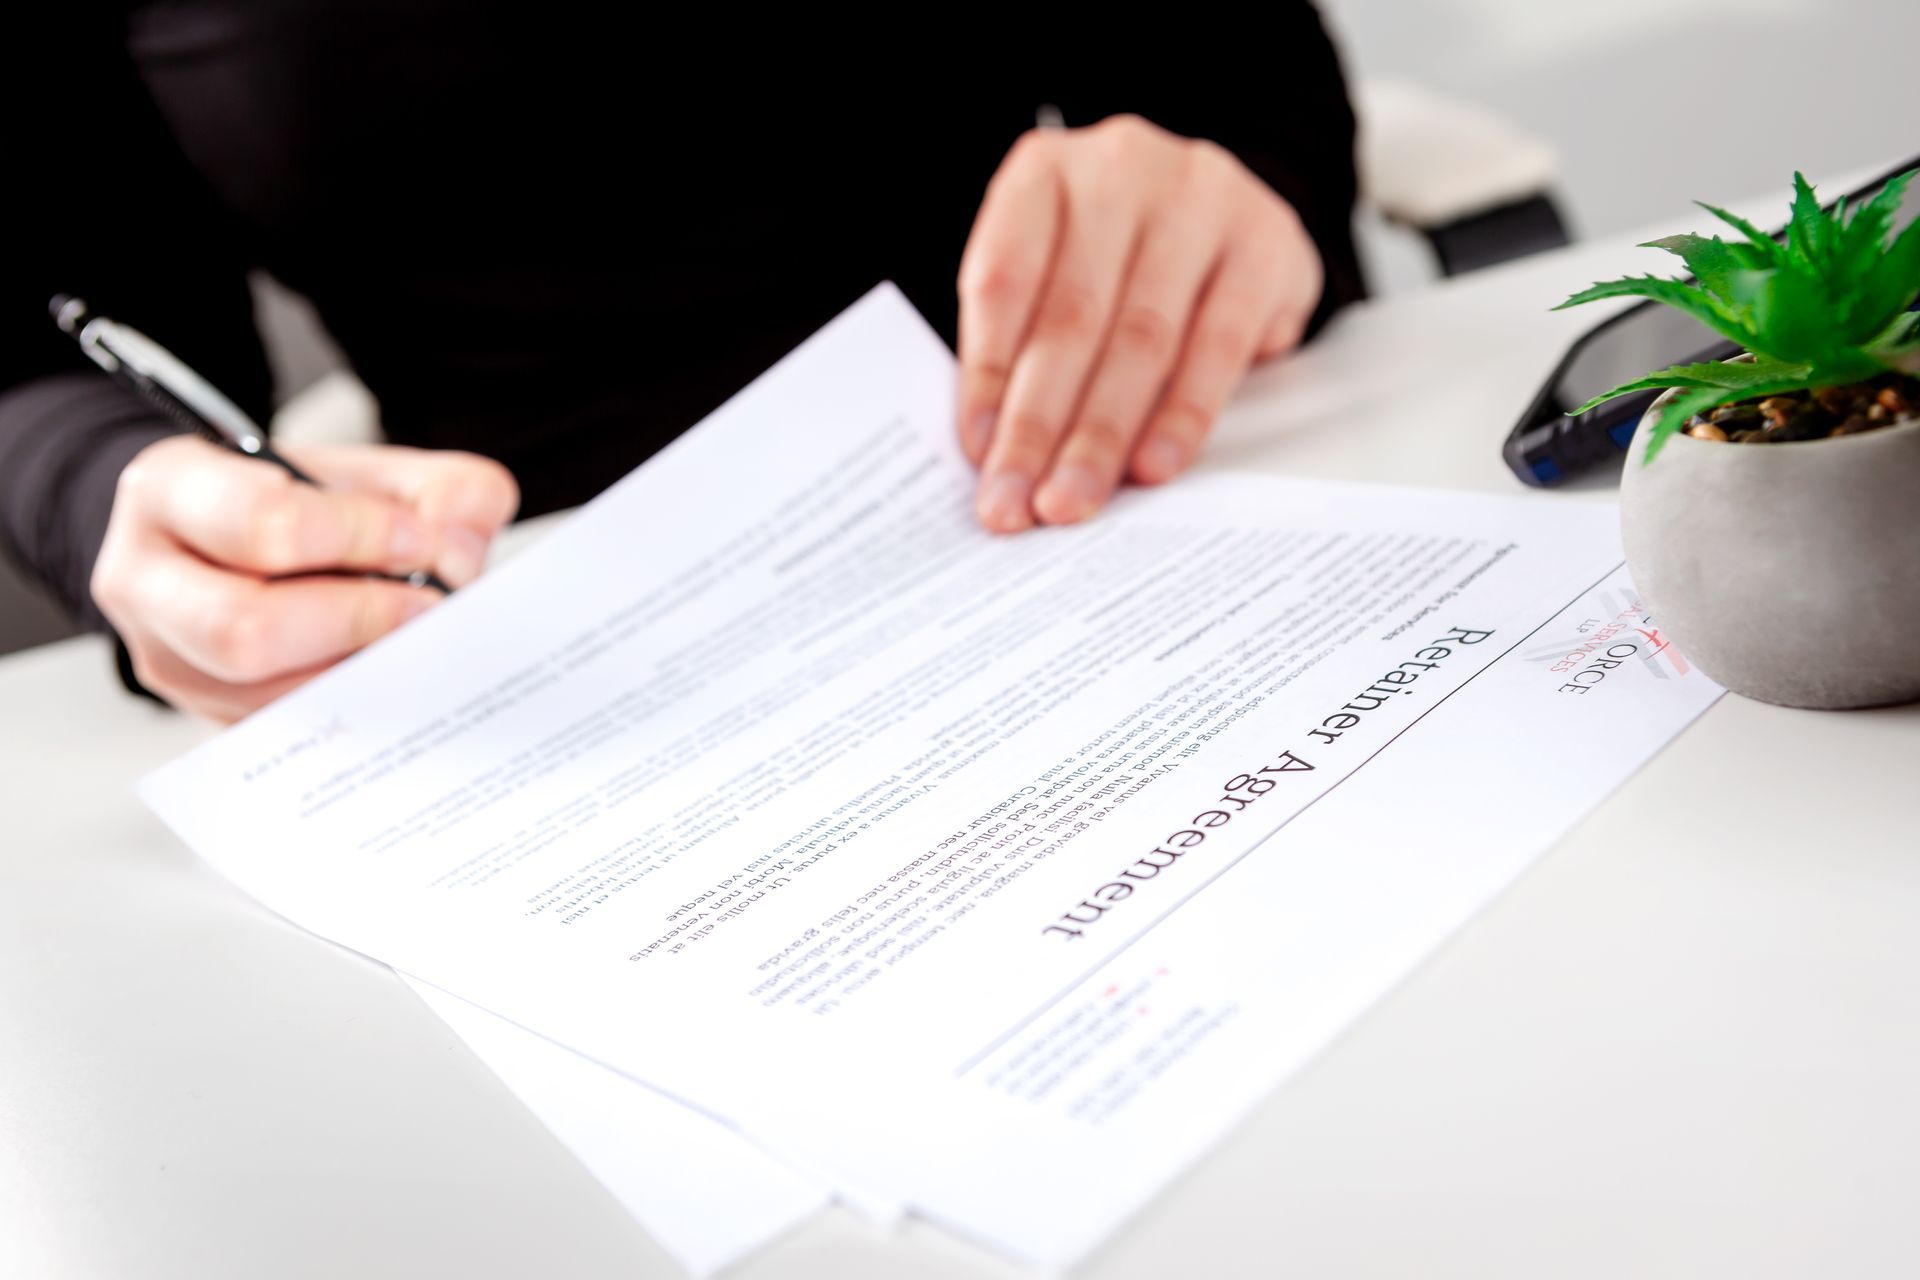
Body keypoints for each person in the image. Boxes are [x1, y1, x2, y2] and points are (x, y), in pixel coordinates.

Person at [2, 5, 1365, 723]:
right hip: (511, 649)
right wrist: (103, 489)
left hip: (1081, 515)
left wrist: (1228, 213)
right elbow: (62, 340)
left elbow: (1255, 100)